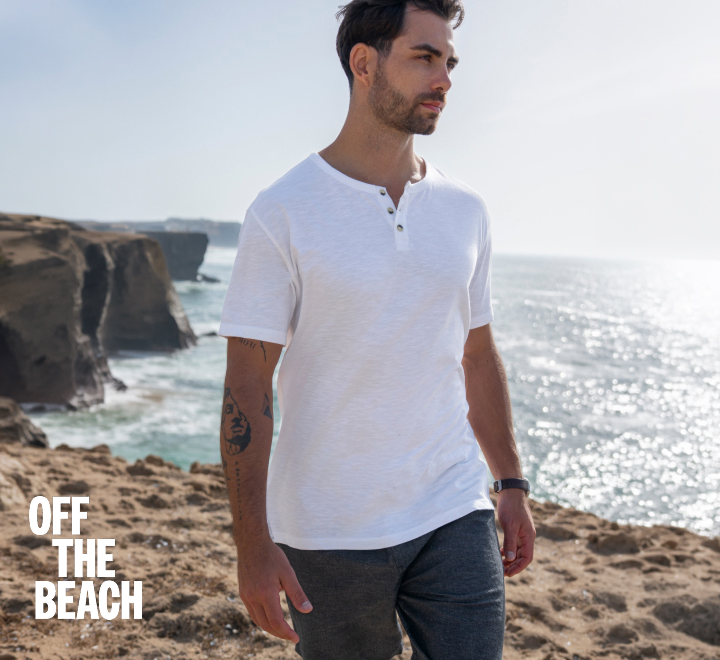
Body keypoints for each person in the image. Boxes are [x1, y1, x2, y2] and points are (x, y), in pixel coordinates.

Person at [216, 0, 532, 656]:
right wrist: (252, 545)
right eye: (424, 57)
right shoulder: (284, 211)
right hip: (327, 531)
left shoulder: (465, 210)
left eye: (448, 61)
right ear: (364, 63)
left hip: (452, 507)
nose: (444, 77)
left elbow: (476, 353)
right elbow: (248, 384)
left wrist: (509, 483)